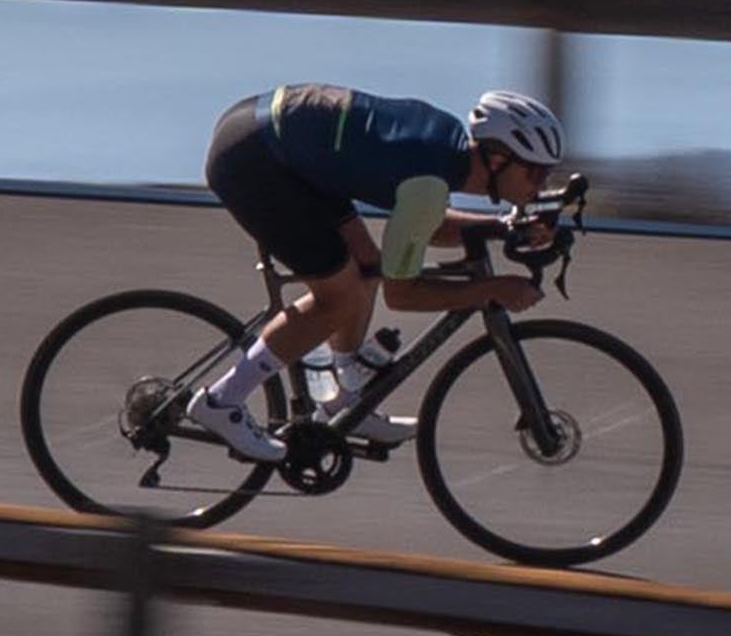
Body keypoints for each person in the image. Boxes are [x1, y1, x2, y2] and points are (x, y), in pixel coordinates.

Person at [189, 86, 566, 461]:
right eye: (534, 172)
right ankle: (222, 400)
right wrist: (491, 290)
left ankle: (340, 402)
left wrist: (500, 228)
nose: (542, 184)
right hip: (255, 160)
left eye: (547, 174)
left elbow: (425, 224)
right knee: (340, 296)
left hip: (278, 141)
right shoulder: (429, 183)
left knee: (367, 267)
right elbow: (401, 294)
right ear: (498, 160)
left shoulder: (445, 150)